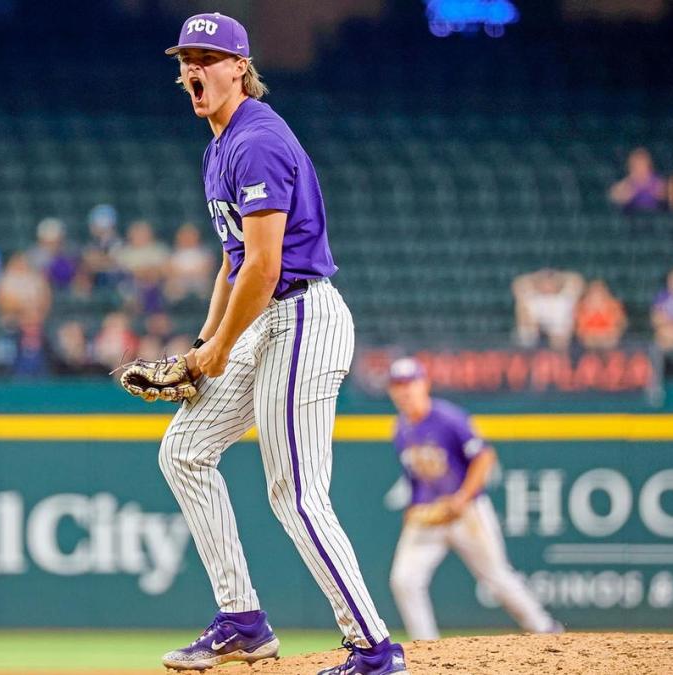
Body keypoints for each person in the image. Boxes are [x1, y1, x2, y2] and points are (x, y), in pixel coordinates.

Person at [156, 14, 405, 675]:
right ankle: (242, 619)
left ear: (240, 66)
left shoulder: (257, 141)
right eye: (186, 58)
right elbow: (232, 263)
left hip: (301, 315)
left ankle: (375, 648)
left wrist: (213, 354)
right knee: (183, 448)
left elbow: (265, 268)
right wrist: (203, 346)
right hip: (265, 319)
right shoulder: (219, 147)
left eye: (208, 57)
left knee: (294, 490)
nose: (194, 70)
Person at [384, 358, 560, 641]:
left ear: (424, 384)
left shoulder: (448, 418)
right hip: (431, 514)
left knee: (497, 578)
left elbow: (484, 456)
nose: (404, 391)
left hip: (467, 513)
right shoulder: (400, 428)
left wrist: (462, 498)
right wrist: (414, 507)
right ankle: (427, 647)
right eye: (397, 385)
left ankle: (546, 629)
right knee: (404, 580)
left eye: (410, 383)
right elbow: (415, 478)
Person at [512, 269, 584, 351]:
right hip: (537, 330)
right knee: (525, 329)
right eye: (544, 283)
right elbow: (518, 283)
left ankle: (560, 356)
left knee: (561, 331)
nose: (547, 286)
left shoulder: (564, 298)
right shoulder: (534, 298)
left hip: (559, 332)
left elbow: (577, 280)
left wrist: (557, 275)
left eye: (550, 283)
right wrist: (537, 276)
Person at [0, 252, 51, 326]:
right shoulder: (4, 279)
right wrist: (22, 309)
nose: (21, 264)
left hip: (35, 314)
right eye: (17, 262)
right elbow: (2, 302)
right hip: (13, 316)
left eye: (23, 262)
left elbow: (46, 298)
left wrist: (37, 309)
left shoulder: (36, 278)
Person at [27, 217, 82, 290]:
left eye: (57, 241)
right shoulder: (33, 256)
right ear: (41, 241)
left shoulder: (72, 252)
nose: (54, 245)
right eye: (50, 242)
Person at [166, 222, 216, 301]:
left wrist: (192, 274)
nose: (188, 238)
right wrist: (185, 275)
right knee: (172, 287)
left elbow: (207, 268)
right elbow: (169, 270)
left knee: (205, 286)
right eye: (185, 236)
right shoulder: (174, 253)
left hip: (199, 280)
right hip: (179, 281)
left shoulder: (205, 252)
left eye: (191, 236)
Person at [608, 147, 666, 213]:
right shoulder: (627, 183)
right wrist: (629, 189)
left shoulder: (657, 182)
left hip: (656, 218)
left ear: (648, 165)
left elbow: (666, 197)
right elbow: (613, 196)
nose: (640, 167)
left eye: (642, 164)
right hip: (632, 219)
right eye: (636, 165)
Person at [574, 279, 627, 350]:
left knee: (609, 341)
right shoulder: (582, 306)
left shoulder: (613, 305)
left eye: (599, 291)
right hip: (589, 339)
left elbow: (618, 324)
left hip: (608, 337)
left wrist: (605, 334)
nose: (597, 294)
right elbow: (580, 327)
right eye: (594, 292)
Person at [81, 204, 124, 288]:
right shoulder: (93, 244)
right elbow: (88, 261)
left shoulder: (118, 243)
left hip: (115, 284)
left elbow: (115, 262)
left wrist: (99, 261)